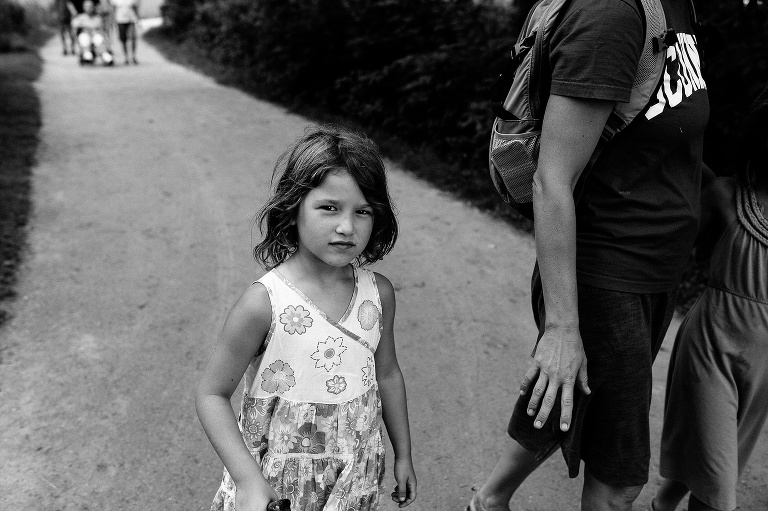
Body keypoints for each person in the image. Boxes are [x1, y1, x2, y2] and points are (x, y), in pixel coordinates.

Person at [468, 0, 710, 510]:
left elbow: (664, 146)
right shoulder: (612, 14)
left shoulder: (677, 6)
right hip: (608, 268)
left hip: (653, 268)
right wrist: (562, 328)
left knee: (572, 400)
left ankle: (488, 502)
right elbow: (551, 180)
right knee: (618, 481)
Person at [196, 125, 417, 511]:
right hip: (275, 488)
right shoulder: (264, 303)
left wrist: (403, 455)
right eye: (329, 207)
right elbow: (211, 394)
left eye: (362, 211)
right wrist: (248, 480)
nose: (347, 227)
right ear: (293, 206)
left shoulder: (378, 295)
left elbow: (388, 375)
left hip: (355, 477)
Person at [649, 88, 768, 511]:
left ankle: (662, 505)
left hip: (765, 367)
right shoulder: (725, 194)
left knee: (718, 464)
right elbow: (668, 254)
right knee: (719, 490)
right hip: (713, 344)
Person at [71, 0, 113, 65]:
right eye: (87, 6)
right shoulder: (80, 18)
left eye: (90, 6)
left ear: (93, 7)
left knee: (98, 39)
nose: (89, 8)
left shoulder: (98, 18)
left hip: (96, 36)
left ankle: (105, 56)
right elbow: (74, 29)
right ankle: (87, 55)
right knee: (84, 37)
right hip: (85, 37)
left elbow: (102, 31)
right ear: (84, 7)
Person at [111, 0, 139, 65]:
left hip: (131, 19)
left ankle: (133, 56)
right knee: (123, 39)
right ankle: (126, 57)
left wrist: (138, 19)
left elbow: (135, 8)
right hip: (120, 20)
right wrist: (112, 21)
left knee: (133, 37)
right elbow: (113, 9)